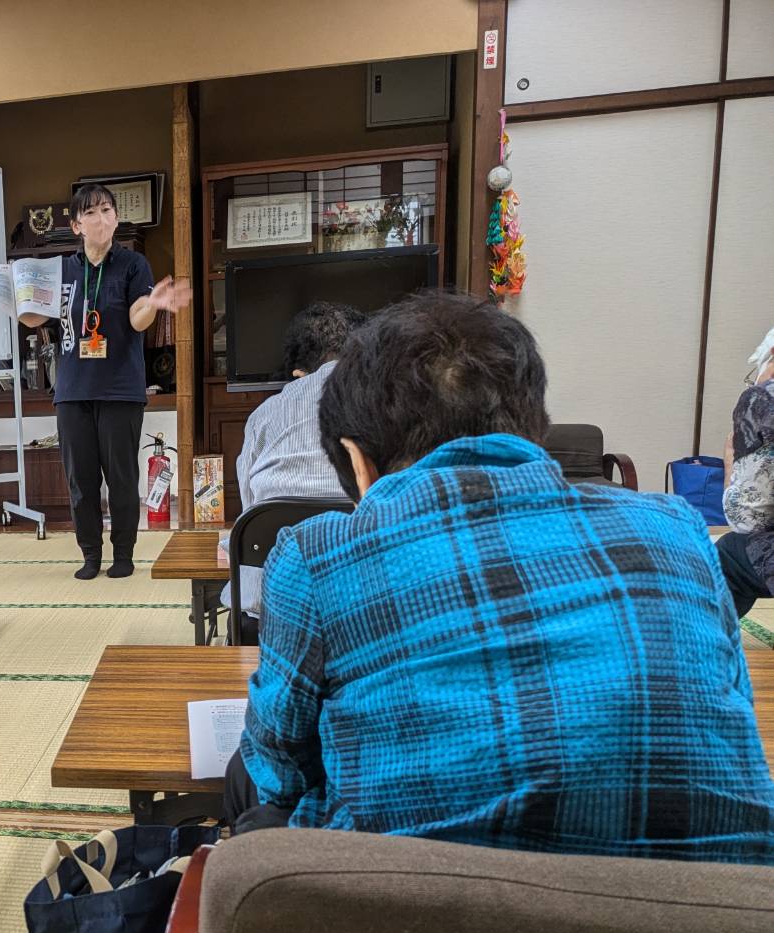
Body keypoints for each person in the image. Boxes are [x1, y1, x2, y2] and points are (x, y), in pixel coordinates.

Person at [225, 290, 774, 865]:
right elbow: (731, 710)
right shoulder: (677, 528)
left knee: (252, 783)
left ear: (357, 461)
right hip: (711, 907)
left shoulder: (318, 555)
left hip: (418, 904)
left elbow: (279, 771)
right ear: (534, 425)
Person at [0, 185, 191, 579]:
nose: (101, 218)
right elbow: (34, 316)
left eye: (107, 210)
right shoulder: (61, 270)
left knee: (122, 478)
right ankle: (90, 554)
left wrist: (153, 303)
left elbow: (137, 318)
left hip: (120, 390)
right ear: (76, 225)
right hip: (72, 391)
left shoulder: (133, 264)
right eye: (91, 212)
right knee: (80, 480)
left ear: (116, 218)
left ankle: (123, 554)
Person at [227, 302, 364, 620]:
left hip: (273, 604)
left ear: (299, 370)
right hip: (361, 604)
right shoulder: (385, 405)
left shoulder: (265, 413)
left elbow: (249, 507)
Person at [715, 324, 774, 616]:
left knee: (730, 552)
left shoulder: (762, 399)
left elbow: (749, 519)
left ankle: (708, 640)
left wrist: (730, 460)